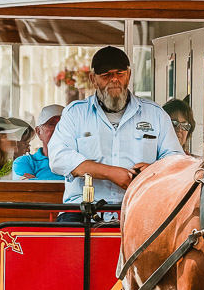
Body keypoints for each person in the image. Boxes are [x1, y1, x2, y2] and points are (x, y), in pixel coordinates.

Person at [48, 46, 181, 219]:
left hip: (139, 208)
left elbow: (176, 161)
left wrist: (152, 171)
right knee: (66, 241)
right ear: (93, 79)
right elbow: (58, 158)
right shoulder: (76, 113)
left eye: (120, 73)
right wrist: (110, 173)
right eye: (106, 75)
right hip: (83, 210)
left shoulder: (155, 114)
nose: (114, 80)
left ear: (129, 75)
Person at [12, 104, 65, 180]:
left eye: (63, 125)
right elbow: (25, 188)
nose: (58, 129)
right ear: (38, 131)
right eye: (52, 124)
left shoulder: (80, 160)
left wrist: (36, 180)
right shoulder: (25, 162)